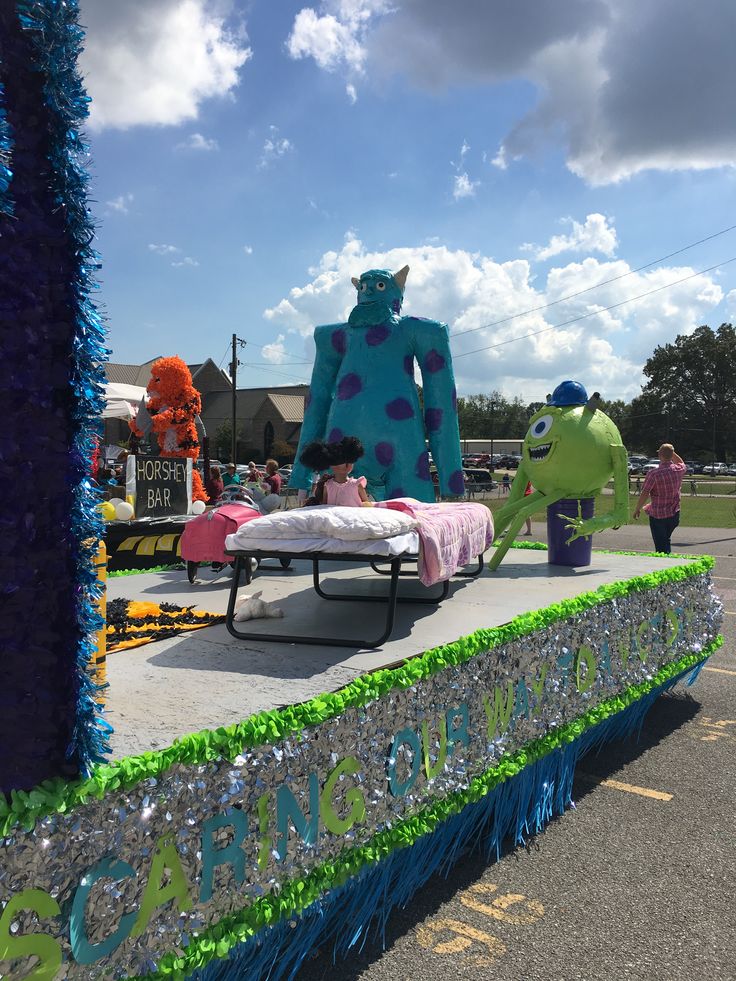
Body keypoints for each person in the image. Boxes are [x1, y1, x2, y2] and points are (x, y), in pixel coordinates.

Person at [633, 444, 686, 554]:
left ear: (659, 455)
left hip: (658, 515)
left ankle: (664, 565)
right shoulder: (678, 470)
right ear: (672, 455)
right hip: (674, 514)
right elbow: (681, 462)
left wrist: (637, 508)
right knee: (666, 540)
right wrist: (672, 452)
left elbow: (645, 493)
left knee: (660, 547)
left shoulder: (654, 474)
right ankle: (668, 561)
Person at [299, 437, 370, 506]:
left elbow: (324, 505)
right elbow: (366, 504)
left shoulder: (328, 485)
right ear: (349, 465)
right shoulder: (356, 484)